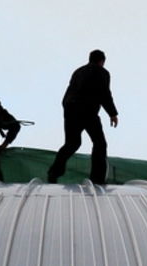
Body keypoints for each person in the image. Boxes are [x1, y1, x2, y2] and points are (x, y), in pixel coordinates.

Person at [48, 49, 119, 185]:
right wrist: (113, 113)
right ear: (102, 61)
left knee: (72, 143)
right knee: (100, 143)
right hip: (88, 111)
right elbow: (104, 93)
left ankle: (54, 172)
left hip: (71, 110)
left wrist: (68, 109)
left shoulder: (78, 71)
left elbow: (68, 93)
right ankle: (97, 179)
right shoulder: (102, 72)